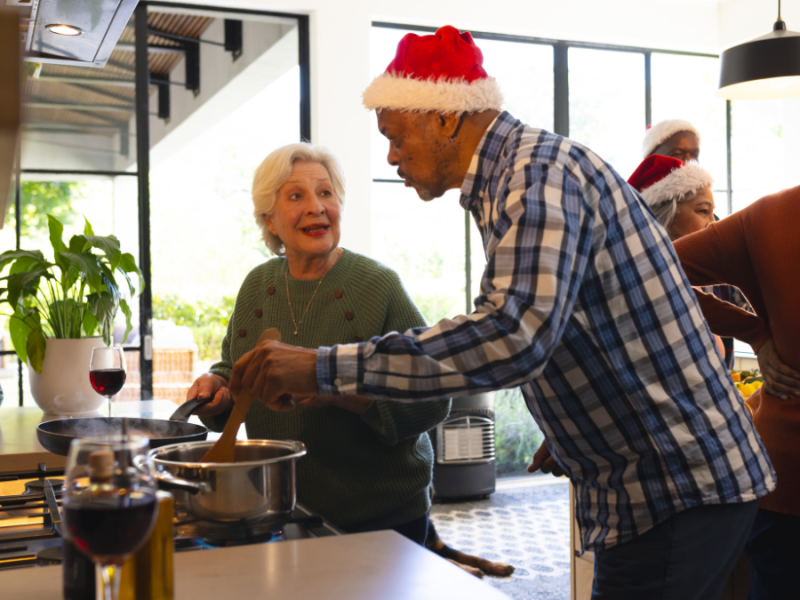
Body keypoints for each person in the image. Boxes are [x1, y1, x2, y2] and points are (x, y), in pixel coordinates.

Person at [227, 26, 775, 600]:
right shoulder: (516, 177)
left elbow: (512, 334)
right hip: (662, 484)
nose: (389, 156)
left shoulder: (534, 176)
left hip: (672, 486)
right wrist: (572, 422)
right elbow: (582, 320)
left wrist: (319, 367)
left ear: (443, 119)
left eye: (393, 135)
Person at [186, 142, 450, 544]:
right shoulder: (257, 285)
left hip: (380, 518)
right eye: (296, 196)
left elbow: (433, 396)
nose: (316, 207)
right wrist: (219, 389)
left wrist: (336, 390)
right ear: (270, 220)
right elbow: (233, 366)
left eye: (326, 192)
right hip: (279, 510)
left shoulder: (377, 285)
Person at [673, 187, 800, 600]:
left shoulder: (770, 215)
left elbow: (648, 269)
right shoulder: (770, 217)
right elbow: (650, 268)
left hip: (783, 475)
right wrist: (754, 333)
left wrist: (756, 334)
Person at [642, 122, 751, 367]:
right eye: (678, 155)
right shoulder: (644, 267)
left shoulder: (717, 239)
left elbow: (746, 300)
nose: (688, 162)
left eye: (695, 155)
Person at [627, 154, 726, 356]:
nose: (713, 222)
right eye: (702, 211)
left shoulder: (704, 270)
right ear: (667, 216)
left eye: (712, 212)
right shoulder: (642, 279)